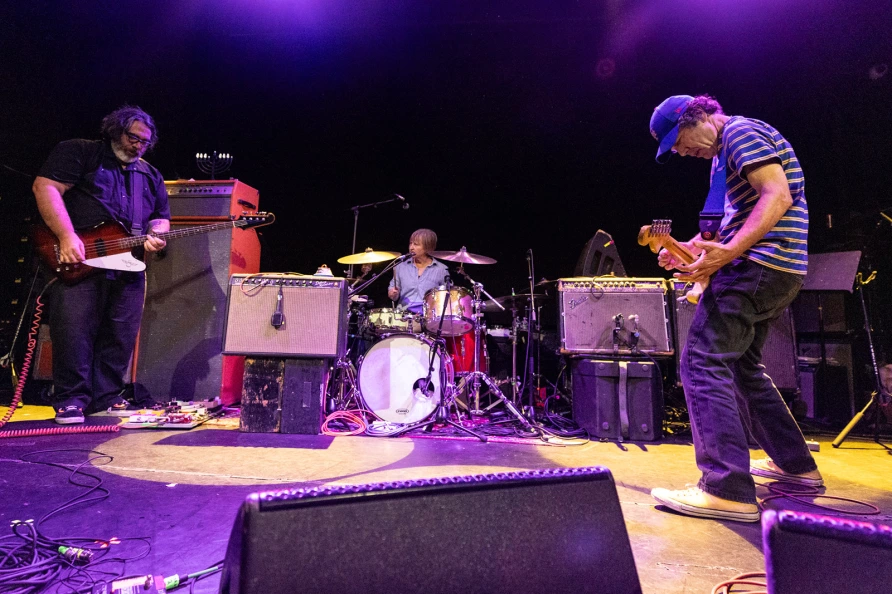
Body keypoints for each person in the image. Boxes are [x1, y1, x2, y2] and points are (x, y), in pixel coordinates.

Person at [647, 95, 822, 522]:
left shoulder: (740, 132)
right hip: (773, 269)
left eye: (680, 138)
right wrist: (691, 250)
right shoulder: (724, 154)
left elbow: (776, 196)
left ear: (700, 116)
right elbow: (739, 221)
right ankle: (796, 467)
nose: (680, 150)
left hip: (757, 269)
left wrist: (726, 253)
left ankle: (727, 489)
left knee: (701, 362)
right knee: (743, 368)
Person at [32, 106, 171, 424]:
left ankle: (106, 398)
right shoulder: (80, 152)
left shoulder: (150, 175)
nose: (139, 145)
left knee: (120, 334)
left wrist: (157, 236)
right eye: (133, 137)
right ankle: (70, 400)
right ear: (114, 130)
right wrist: (66, 236)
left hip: (128, 264)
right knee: (74, 332)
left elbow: (160, 218)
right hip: (78, 258)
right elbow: (46, 188)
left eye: (145, 142)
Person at [387, 228, 449, 314]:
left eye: (416, 244)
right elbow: (393, 293)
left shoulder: (441, 269)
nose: (411, 247)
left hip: (429, 316)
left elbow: (447, 297)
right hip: (403, 314)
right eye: (410, 243)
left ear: (428, 247)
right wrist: (392, 293)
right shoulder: (401, 266)